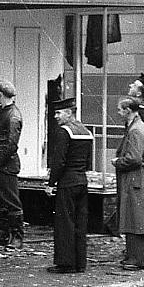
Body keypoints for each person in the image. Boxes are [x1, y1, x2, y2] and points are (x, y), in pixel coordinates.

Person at [44, 96, 93, 273]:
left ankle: (65, 263)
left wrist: (51, 183)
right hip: (82, 181)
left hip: (67, 182)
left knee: (65, 223)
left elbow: (59, 161)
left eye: (58, 113)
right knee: (80, 223)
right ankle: (80, 262)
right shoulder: (86, 132)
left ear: (68, 113)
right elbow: (88, 161)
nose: (55, 116)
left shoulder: (64, 132)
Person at [113, 96, 144, 270]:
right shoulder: (139, 127)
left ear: (127, 111)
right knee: (138, 218)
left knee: (136, 218)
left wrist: (117, 162)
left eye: (120, 109)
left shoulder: (136, 130)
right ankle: (137, 257)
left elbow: (134, 158)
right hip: (139, 179)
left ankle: (138, 259)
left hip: (136, 179)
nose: (118, 113)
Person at [0, 79, 24, 249]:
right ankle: (2, 234)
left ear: (0, 94)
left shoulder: (13, 116)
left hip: (6, 166)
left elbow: (11, 145)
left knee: (11, 201)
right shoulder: (2, 111)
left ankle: (17, 237)